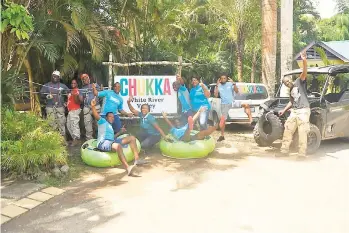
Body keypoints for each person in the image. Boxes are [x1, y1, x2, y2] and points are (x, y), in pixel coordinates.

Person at [91, 97, 143, 175]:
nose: (112, 118)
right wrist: (93, 107)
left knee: (132, 138)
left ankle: (137, 160)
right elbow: (96, 115)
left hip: (111, 141)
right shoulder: (103, 122)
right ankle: (128, 168)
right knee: (118, 146)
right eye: (110, 116)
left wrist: (120, 132)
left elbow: (112, 138)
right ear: (106, 117)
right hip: (103, 143)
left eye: (113, 117)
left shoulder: (110, 127)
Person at [279, 51, 310, 158]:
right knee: (288, 129)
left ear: (291, 79)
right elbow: (292, 102)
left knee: (302, 132)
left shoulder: (298, 82)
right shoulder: (291, 90)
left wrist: (304, 60)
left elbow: (304, 72)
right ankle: (284, 151)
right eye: (285, 83)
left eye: (287, 81)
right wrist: (284, 110)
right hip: (295, 111)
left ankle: (302, 154)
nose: (287, 83)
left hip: (303, 110)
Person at [214, 74, 253, 142]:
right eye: (222, 78)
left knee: (246, 105)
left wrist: (234, 84)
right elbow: (216, 95)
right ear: (220, 79)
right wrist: (217, 85)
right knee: (222, 121)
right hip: (224, 105)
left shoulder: (230, 84)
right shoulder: (218, 85)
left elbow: (237, 91)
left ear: (226, 79)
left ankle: (251, 122)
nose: (223, 79)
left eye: (224, 78)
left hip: (232, 102)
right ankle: (222, 135)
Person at [40, 70, 69, 140]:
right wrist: (46, 96)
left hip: (60, 107)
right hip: (50, 107)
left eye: (56, 76)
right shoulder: (46, 85)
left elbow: (69, 94)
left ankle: (63, 140)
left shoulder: (63, 86)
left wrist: (66, 102)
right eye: (53, 76)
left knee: (61, 123)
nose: (55, 77)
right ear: (51, 76)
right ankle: (54, 141)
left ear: (59, 78)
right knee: (51, 123)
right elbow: (41, 94)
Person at [79, 73, 101, 140]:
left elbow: (100, 94)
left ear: (89, 78)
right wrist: (78, 94)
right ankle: (89, 140)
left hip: (96, 107)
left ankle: (100, 138)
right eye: (83, 79)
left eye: (86, 78)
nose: (85, 79)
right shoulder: (81, 89)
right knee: (87, 124)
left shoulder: (95, 85)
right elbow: (81, 100)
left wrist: (100, 88)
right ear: (82, 81)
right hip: (87, 108)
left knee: (99, 123)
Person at [66, 79, 81, 146]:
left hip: (75, 110)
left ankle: (76, 139)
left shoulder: (77, 91)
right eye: (72, 83)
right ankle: (74, 139)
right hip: (70, 110)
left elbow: (78, 101)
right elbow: (70, 101)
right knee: (69, 125)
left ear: (77, 84)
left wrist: (75, 95)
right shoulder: (71, 91)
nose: (73, 84)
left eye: (74, 83)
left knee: (74, 124)